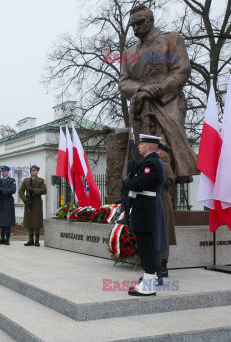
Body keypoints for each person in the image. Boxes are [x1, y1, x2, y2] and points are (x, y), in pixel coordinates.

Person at [119, 4, 198, 183]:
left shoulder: (171, 39)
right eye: (132, 24)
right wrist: (141, 89)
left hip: (166, 103)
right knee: (144, 155)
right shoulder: (129, 52)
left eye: (140, 22)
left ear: (151, 20)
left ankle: (166, 196)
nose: (136, 27)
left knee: (164, 151)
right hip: (141, 108)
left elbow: (182, 70)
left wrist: (159, 89)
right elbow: (123, 82)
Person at [124, 134, 165, 296]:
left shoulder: (152, 163)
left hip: (145, 210)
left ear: (149, 146)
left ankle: (148, 285)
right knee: (145, 245)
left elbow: (139, 184)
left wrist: (127, 181)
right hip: (144, 208)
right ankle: (150, 279)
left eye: (142, 144)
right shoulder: (152, 161)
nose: (139, 146)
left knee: (145, 246)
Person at [158, 143, 177, 277]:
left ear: (161, 153)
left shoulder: (164, 165)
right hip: (161, 198)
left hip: (163, 200)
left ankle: (163, 264)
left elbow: (168, 180)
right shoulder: (162, 164)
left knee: (164, 231)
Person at [18, 165, 47, 247]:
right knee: (29, 221)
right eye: (31, 170)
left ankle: (37, 240)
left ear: (37, 171)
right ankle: (30, 239)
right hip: (29, 202)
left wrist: (34, 190)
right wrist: (25, 200)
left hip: (37, 202)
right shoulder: (26, 180)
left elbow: (44, 190)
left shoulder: (41, 180)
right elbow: (20, 191)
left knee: (37, 221)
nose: (32, 172)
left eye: (34, 170)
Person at [0, 165, 16, 245]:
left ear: (7, 172)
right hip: (1, 202)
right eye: (2, 171)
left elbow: (13, 190)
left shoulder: (12, 180)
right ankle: (2, 238)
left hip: (8, 202)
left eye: (4, 171)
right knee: (2, 222)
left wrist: (3, 190)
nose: (3, 173)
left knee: (8, 222)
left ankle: (7, 239)